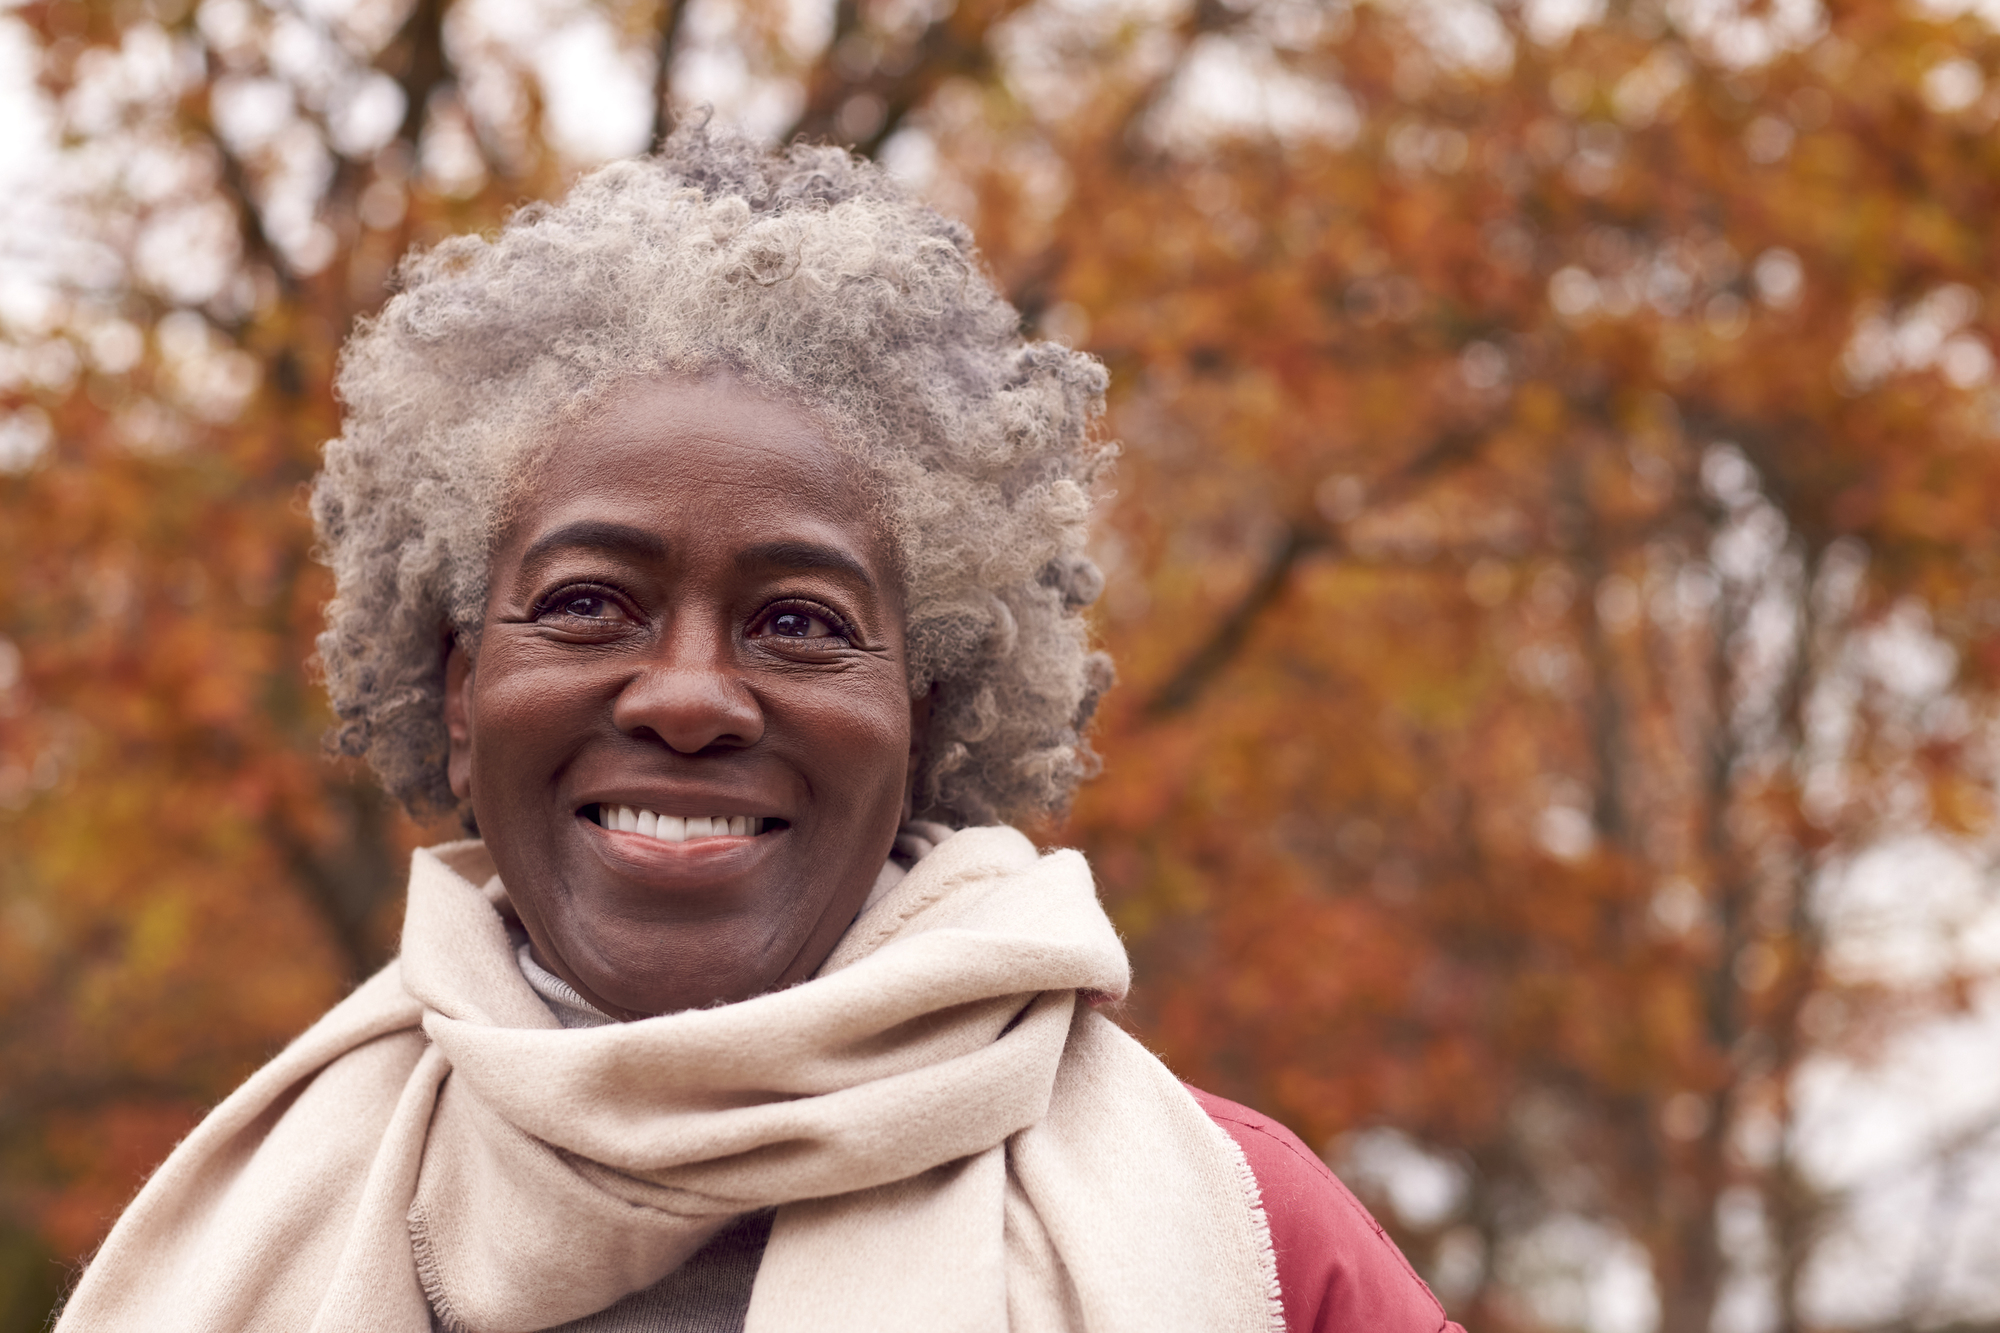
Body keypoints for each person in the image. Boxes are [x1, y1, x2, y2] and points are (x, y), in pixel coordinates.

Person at [55, 126, 1462, 1333]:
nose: (685, 696)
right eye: (591, 601)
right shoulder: (237, 1236)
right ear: (456, 698)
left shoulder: (1256, 1243)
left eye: (797, 622)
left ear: (924, 718)